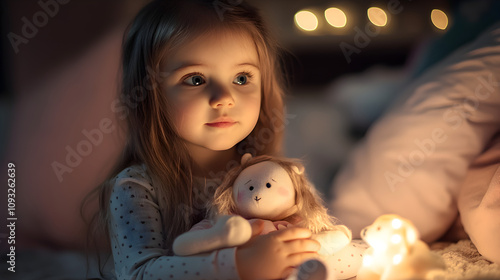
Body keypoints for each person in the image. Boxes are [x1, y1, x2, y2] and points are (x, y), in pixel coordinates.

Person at [83, 1, 321, 279]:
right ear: (150, 94)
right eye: (195, 79)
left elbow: (320, 250)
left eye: (242, 78)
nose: (224, 98)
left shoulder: (271, 179)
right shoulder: (135, 188)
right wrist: (242, 265)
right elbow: (137, 273)